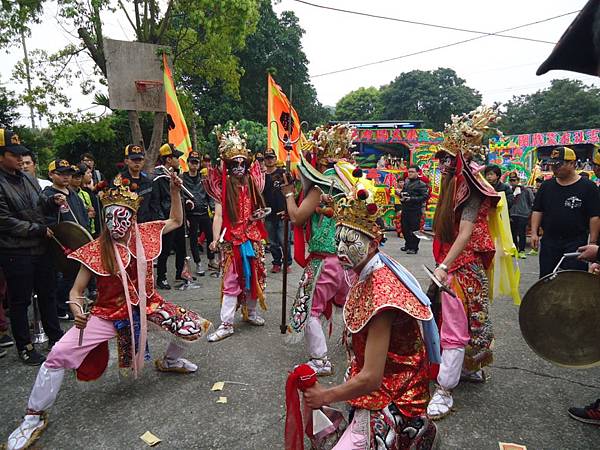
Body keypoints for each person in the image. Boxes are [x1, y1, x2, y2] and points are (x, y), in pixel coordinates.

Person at [5, 173, 211, 450]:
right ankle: (33, 416)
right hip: (107, 314)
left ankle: (170, 362)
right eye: (110, 217)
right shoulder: (95, 250)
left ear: (132, 217)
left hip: (148, 305)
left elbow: (175, 220)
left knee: (190, 326)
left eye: (122, 216)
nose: (116, 223)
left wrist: (175, 191)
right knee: (57, 356)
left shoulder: (146, 235)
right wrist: (77, 309)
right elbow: (76, 292)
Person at [295, 187, 440, 449]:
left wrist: (324, 396)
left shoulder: (381, 294)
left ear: (373, 243)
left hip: (395, 393)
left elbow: (372, 378)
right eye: (338, 240)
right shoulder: (365, 271)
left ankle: (411, 429)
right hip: (375, 382)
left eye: (350, 243)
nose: (340, 249)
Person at [428, 106, 501, 420]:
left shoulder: (471, 186)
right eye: (440, 158)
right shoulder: (452, 184)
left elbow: (466, 233)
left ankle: (444, 390)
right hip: (456, 263)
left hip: (463, 266)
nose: (441, 164)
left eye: (446, 158)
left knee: (457, 327)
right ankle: (468, 369)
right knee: (459, 321)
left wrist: (444, 266)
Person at [282, 124, 354, 376]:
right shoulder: (347, 184)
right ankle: (357, 352)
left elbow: (297, 218)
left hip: (324, 261)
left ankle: (320, 360)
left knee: (308, 307)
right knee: (349, 306)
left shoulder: (320, 187)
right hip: (347, 262)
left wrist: (289, 194)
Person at [0, 129, 63, 365]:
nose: (20, 159)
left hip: (41, 248)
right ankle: (25, 346)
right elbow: (5, 221)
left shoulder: (27, 177)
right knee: (20, 300)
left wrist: (51, 201)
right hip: (15, 251)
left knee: (48, 293)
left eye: (22, 155)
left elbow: (38, 206)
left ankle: (56, 338)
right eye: (14, 154)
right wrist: (36, 229)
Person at [204, 125, 267, 342]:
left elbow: (257, 211)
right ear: (227, 166)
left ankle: (251, 312)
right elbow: (219, 216)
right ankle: (226, 323)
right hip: (233, 241)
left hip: (253, 237)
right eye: (234, 164)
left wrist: (258, 216)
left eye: (243, 163)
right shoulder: (222, 188)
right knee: (232, 280)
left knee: (255, 276)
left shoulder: (253, 183)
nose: (239, 167)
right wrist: (214, 238)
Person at [530, 146, 600, 278]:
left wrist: (593, 242)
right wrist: (534, 232)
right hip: (549, 241)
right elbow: (538, 210)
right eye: (552, 165)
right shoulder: (546, 186)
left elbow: (594, 216)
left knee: (574, 279)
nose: (554, 169)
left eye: (558, 165)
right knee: (547, 278)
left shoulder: (588, 187)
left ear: (572, 163)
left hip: (576, 242)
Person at [42, 159, 89, 320]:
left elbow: (82, 216)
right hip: (61, 245)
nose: (66, 177)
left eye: (68, 173)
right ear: (51, 174)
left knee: (76, 276)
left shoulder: (73, 194)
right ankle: (61, 307)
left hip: (78, 242)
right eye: (60, 173)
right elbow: (47, 221)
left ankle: (72, 305)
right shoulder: (48, 195)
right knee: (63, 277)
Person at [152, 143, 186, 289]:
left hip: (179, 215)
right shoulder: (158, 177)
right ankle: (162, 277)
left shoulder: (175, 174)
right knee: (165, 249)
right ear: (168, 159)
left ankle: (181, 273)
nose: (178, 160)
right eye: (176, 157)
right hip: (167, 218)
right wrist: (162, 221)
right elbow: (156, 201)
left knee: (181, 246)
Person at [183, 150, 216, 276]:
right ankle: (198, 263)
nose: (194, 165)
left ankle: (211, 260)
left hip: (203, 211)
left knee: (210, 236)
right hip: (191, 214)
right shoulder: (183, 178)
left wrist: (212, 208)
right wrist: (186, 203)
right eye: (192, 162)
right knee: (193, 240)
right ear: (188, 163)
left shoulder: (203, 178)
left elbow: (209, 195)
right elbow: (181, 195)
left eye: (196, 162)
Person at [263, 148, 291, 273]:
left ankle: (287, 263)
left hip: (282, 213)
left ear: (275, 159)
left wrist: (288, 209)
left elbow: (291, 191)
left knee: (284, 240)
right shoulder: (261, 177)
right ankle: (276, 262)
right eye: (267, 158)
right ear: (264, 160)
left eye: (271, 157)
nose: (269, 160)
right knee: (273, 242)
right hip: (268, 214)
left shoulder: (283, 173)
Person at [117, 144, 154, 223]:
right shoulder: (119, 181)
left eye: (139, 160)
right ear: (126, 161)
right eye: (134, 160)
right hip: (125, 224)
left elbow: (154, 205)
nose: (137, 163)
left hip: (145, 224)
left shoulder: (148, 182)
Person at [400, 165, 429, 254]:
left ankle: (414, 247)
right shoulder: (407, 182)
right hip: (405, 209)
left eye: (412, 172)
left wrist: (411, 199)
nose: (410, 173)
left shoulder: (421, 184)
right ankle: (408, 244)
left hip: (415, 210)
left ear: (417, 173)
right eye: (409, 172)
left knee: (414, 229)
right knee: (404, 228)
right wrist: (401, 195)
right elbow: (403, 192)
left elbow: (425, 197)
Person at [508, 173, 534, 259]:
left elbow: (532, 202)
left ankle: (521, 250)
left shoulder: (526, 190)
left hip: (523, 214)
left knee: (522, 233)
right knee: (513, 233)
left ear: (518, 181)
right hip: (512, 214)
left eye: (514, 180)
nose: (512, 182)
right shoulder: (509, 191)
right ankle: (514, 249)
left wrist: (529, 212)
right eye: (511, 180)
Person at [70, 163, 97, 236]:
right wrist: (86, 215)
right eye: (74, 176)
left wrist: (91, 211)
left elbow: (91, 211)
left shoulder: (85, 194)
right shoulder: (67, 195)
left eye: (79, 176)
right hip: (76, 233)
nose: (78, 178)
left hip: (90, 230)